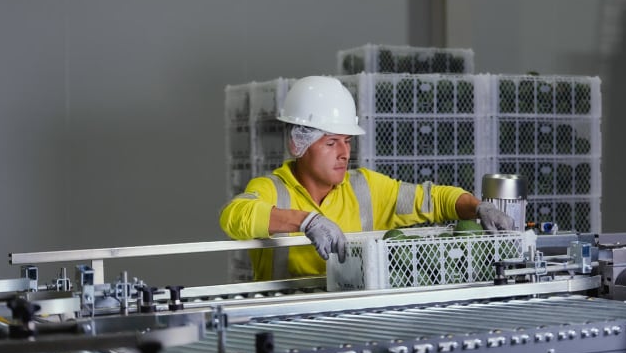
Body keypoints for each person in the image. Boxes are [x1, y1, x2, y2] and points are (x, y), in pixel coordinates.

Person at [220, 75, 515, 281]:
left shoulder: (366, 188)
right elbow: (234, 217)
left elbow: (434, 199)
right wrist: (305, 221)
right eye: (331, 142)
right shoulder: (271, 189)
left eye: (348, 141)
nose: (344, 153)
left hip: (354, 314)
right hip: (286, 317)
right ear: (300, 143)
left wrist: (479, 207)